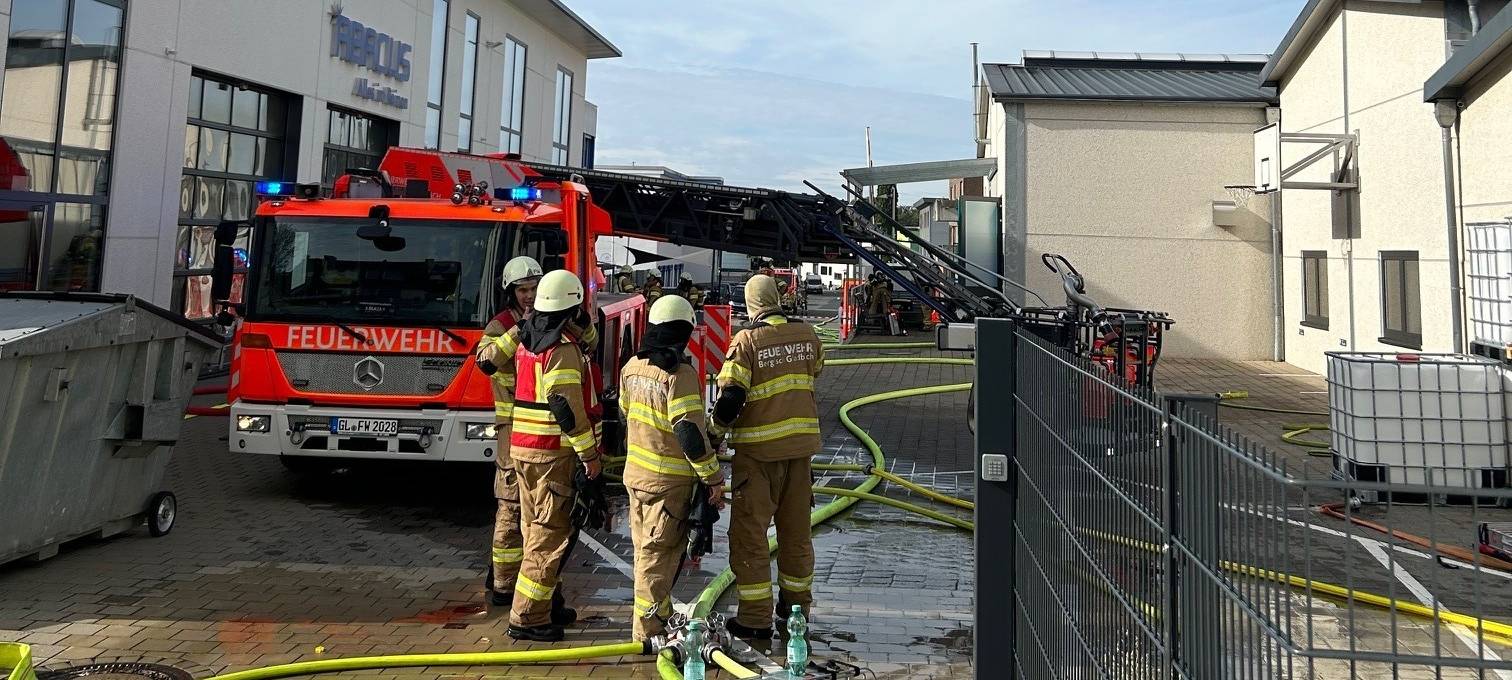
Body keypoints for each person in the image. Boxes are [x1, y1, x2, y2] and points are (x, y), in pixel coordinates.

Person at [480, 270, 602, 642]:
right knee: (548, 536)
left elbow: (488, 361)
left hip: (524, 449)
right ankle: (528, 617)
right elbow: (565, 407)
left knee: (536, 528)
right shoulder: (561, 348)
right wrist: (590, 455)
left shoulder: (527, 339)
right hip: (552, 454)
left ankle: (548, 602)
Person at [708, 274, 824, 640]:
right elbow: (814, 371)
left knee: (750, 537)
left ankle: (755, 618)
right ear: (777, 298)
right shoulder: (807, 335)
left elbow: (730, 399)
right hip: (800, 455)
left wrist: (713, 435)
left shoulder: (747, 341)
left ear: (750, 304)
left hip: (758, 457)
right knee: (796, 535)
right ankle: (796, 613)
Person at [620, 295, 725, 641]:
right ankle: (647, 634)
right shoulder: (678, 375)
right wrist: (713, 477)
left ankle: (659, 623)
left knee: (646, 554)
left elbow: (625, 412)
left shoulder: (632, 368)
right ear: (683, 333)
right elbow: (688, 432)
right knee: (657, 561)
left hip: (636, 477)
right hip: (667, 484)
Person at [477, 256, 542, 609]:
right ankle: (503, 585)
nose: (529, 296)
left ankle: (531, 582)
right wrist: (520, 331)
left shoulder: (552, 317)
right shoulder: (501, 325)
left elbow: (589, 342)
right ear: (511, 292)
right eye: (522, 290)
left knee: (542, 512)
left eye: (534, 289)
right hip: (512, 430)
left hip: (546, 433)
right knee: (511, 509)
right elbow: (485, 361)